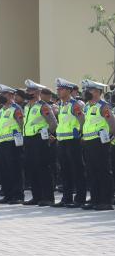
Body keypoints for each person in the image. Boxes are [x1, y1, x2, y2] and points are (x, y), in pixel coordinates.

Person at [22, 79, 58, 207]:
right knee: (31, 168)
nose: (27, 92)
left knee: (43, 168)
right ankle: (36, 196)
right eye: (27, 90)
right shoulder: (27, 106)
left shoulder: (43, 106)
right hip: (28, 139)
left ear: (37, 92)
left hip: (39, 139)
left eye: (30, 90)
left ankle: (48, 197)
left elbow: (53, 123)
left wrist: (46, 134)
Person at [81, 79, 115, 210]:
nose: (86, 92)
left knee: (103, 171)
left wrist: (107, 139)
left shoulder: (103, 106)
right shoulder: (88, 106)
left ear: (97, 92)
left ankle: (105, 201)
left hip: (100, 143)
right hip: (89, 143)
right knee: (91, 171)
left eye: (89, 90)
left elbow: (112, 125)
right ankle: (95, 199)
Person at [53, 78, 86, 208]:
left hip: (73, 141)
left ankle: (80, 198)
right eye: (58, 89)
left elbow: (82, 120)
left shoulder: (75, 104)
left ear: (68, 90)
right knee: (65, 170)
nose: (58, 91)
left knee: (77, 169)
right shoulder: (61, 105)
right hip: (62, 141)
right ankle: (66, 198)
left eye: (60, 89)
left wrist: (80, 134)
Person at [0, 84, 25, 204]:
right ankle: (8, 194)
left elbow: (22, 125)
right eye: (0, 94)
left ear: (11, 95)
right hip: (2, 143)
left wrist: (20, 141)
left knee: (15, 169)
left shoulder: (16, 108)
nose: (0, 96)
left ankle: (18, 195)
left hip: (13, 143)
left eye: (3, 94)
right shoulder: (1, 110)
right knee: (5, 170)